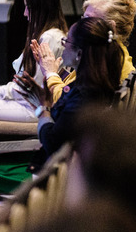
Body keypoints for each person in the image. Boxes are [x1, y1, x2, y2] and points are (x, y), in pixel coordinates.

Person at [29, 16, 123, 156]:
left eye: (66, 41)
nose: (63, 45)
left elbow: (53, 143)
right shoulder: (96, 82)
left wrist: (44, 107)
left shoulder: (84, 96)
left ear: (79, 53)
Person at [0, 0, 66, 122]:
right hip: (28, 102)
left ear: (40, 9)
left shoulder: (49, 37)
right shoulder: (50, 34)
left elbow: (32, 87)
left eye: (28, 8)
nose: (25, 13)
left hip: (34, 106)